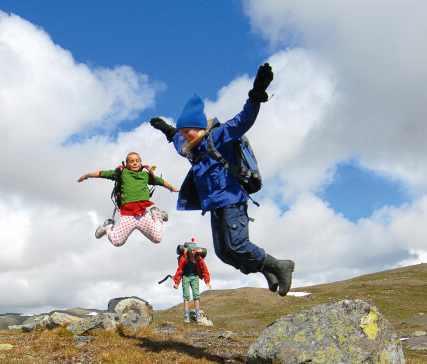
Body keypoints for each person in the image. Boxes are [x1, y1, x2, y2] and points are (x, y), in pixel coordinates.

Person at [149, 63, 296, 295]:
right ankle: (264, 268)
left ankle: (280, 266)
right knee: (223, 252)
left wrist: (256, 94)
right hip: (214, 205)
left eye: (185, 131)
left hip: (231, 199)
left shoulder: (218, 136)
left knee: (237, 244)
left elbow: (243, 120)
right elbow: (178, 144)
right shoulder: (192, 148)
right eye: (181, 133)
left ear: (198, 128)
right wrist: (168, 130)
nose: (183, 137)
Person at [77, 152, 177, 246]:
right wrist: (88, 175)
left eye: (137, 161)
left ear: (141, 163)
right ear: (127, 164)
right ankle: (108, 226)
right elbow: (104, 173)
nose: (135, 163)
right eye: (131, 161)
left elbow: (160, 181)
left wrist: (171, 188)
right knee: (117, 242)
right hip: (128, 216)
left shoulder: (145, 175)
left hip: (142, 214)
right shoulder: (122, 173)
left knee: (157, 238)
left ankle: (157, 216)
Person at [172, 239, 211, 322]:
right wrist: (176, 283)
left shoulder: (199, 258)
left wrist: (207, 281)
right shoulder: (184, 258)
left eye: (194, 250)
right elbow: (179, 270)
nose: (192, 252)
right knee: (186, 296)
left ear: (196, 250)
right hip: (186, 277)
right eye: (191, 250)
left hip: (195, 277)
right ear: (188, 251)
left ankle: (198, 314)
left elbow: (204, 269)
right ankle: (186, 315)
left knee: (196, 295)